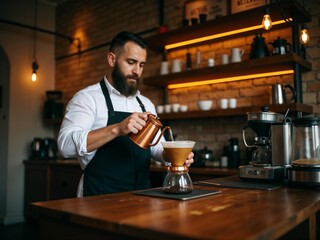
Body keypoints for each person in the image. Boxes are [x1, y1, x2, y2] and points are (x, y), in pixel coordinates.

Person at [58, 31, 194, 197]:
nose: (137, 71)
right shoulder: (87, 98)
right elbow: (65, 146)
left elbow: (156, 148)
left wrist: (174, 156)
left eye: (142, 65)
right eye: (131, 62)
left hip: (143, 196)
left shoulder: (146, 104)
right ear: (112, 59)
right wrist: (117, 129)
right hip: (99, 197)